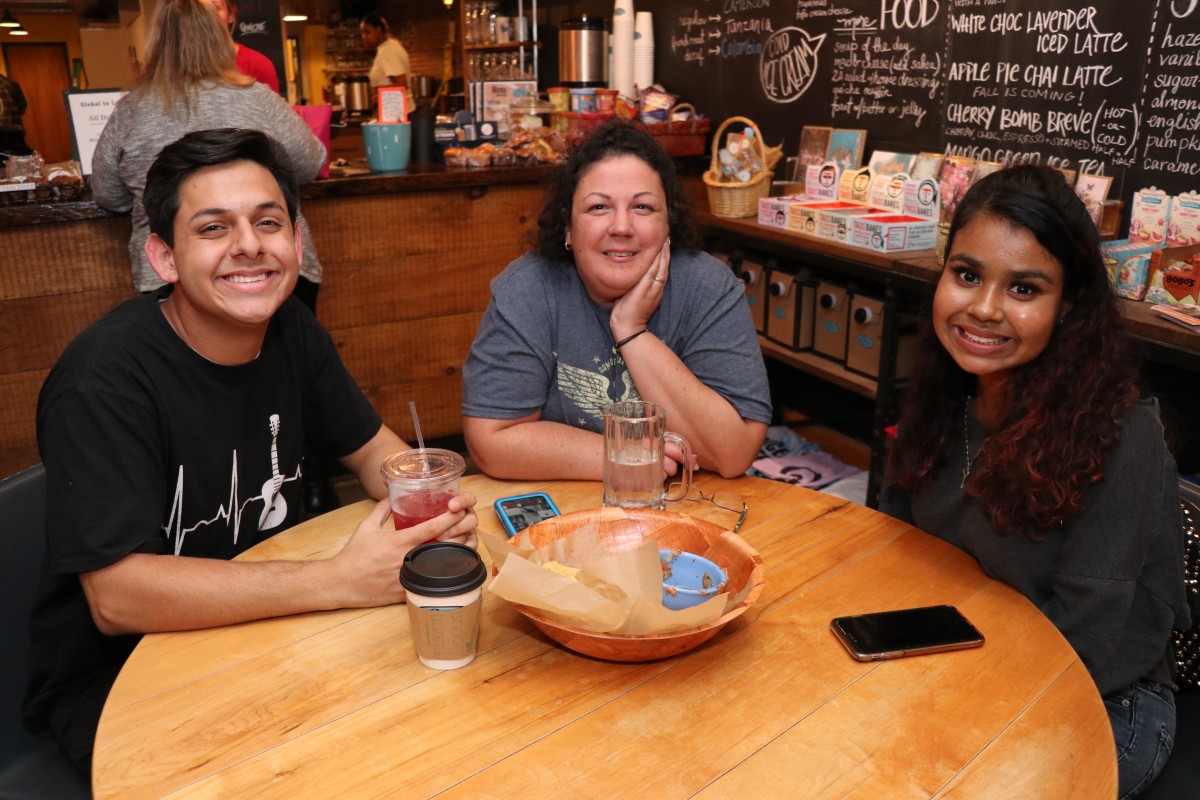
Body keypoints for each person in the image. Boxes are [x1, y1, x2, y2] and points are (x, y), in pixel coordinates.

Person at [22, 128, 479, 779]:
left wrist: (433, 510)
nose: (248, 245)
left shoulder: (291, 329)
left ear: (296, 243)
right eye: (213, 228)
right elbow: (117, 598)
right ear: (164, 257)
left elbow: (377, 452)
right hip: (123, 684)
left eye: (268, 222)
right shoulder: (103, 379)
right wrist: (340, 580)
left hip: (270, 635)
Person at [880, 164, 1190, 798]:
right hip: (968, 653)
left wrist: (948, 709)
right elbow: (895, 538)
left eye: (1024, 289)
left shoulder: (1123, 434)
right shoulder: (948, 392)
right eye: (967, 275)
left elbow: (1090, 637)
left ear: (1068, 304)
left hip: (1105, 701)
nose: (984, 309)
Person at [462, 120, 772, 480]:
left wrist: (632, 331)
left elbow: (734, 453)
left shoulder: (708, 287)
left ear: (667, 223)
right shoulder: (529, 288)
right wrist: (626, 456)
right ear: (568, 226)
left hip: (685, 507)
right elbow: (491, 441)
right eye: (598, 208)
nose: (621, 227)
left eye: (642, 207)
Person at [90, 0, 322, 306]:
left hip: (170, 276)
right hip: (272, 268)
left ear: (157, 43)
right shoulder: (257, 99)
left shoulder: (130, 111)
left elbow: (108, 195)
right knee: (289, 354)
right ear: (222, 38)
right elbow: (311, 163)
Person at [206, 0, 281, 92]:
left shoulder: (258, 65)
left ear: (231, 16)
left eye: (215, 8)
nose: (207, 15)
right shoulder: (184, 64)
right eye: (199, 9)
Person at [360, 12, 411, 89]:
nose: (364, 37)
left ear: (378, 30)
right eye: (362, 33)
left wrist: (373, 99)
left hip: (394, 101)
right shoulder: (391, 44)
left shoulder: (387, 50)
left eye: (367, 32)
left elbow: (401, 84)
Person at [0, 71, 31, 165]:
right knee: (19, 162)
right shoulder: (12, 84)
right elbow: (22, 107)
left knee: (3, 164)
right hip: (15, 130)